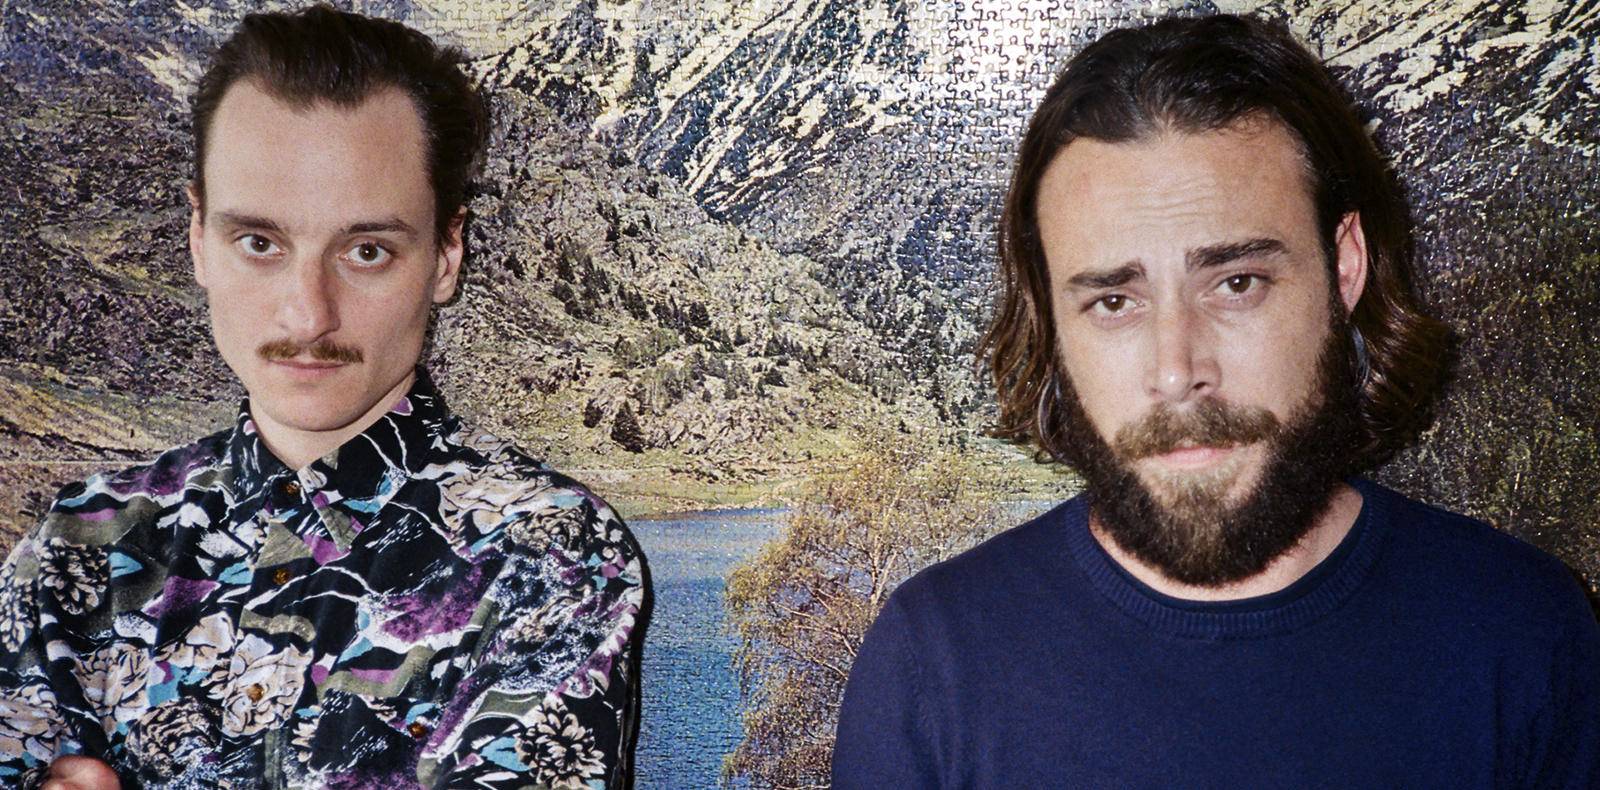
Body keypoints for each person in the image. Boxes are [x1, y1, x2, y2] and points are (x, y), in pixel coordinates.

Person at [834, 13, 1599, 788]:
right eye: (1113, 302)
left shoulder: (1525, 636)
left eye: (1236, 284)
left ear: (1343, 269)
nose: (1177, 371)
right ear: (1053, 320)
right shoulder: (933, 670)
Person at [0, 6, 647, 789]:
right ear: (198, 238)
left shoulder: (549, 553)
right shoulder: (79, 540)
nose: (308, 315)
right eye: (260, 243)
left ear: (447, 253)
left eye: (366, 251)